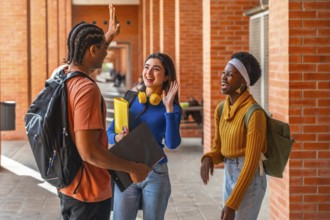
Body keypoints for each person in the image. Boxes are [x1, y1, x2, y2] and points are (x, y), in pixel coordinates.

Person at [56, 4, 150, 220]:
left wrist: (106, 37)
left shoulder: (63, 77)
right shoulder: (86, 89)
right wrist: (132, 168)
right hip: (89, 192)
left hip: (69, 185)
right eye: (103, 49)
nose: (106, 54)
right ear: (92, 50)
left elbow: (83, 62)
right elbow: (89, 152)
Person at [107, 52, 182, 220]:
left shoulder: (172, 109)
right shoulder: (131, 100)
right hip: (126, 169)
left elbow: (172, 144)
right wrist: (119, 138)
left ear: (166, 76)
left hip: (155, 173)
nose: (148, 73)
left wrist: (168, 108)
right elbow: (109, 133)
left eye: (156, 69)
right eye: (146, 67)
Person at [200, 52, 267, 220]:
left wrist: (232, 204)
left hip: (249, 178)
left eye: (230, 74)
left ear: (244, 82)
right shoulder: (222, 108)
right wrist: (209, 157)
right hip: (230, 173)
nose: (223, 78)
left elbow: (251, 164)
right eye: (224, 73)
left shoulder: (254, 113)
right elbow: (219, 148)